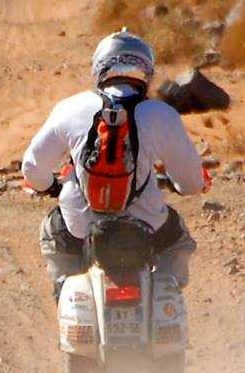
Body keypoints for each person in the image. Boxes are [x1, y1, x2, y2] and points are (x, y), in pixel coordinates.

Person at [21, 31, 208, 298]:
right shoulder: (161, 115)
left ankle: (66, 294)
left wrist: (50, 186)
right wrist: (177, 185)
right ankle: (166, 300)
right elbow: (191, 183)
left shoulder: (71, 108)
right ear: (146, 71)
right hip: (147, 222)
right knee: (178, 241)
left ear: (100, 68)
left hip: (80, 225)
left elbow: (32, 168)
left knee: (53, 231)